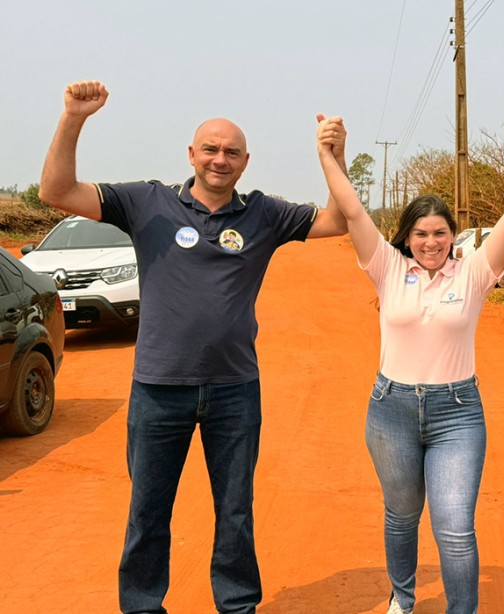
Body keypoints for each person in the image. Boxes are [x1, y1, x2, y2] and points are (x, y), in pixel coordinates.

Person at [38, 81, 349, 614]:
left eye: (231, 152)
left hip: (234, 389)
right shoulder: (146, 202)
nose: (220, 159)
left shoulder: (264, 215)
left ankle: (237, 605)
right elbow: (57, 192)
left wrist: (332, 157)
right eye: (210, 148)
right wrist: (73, 118)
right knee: (148, 511)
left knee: (234, 511)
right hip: (158, 389)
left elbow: (338, 221)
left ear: (245, 161)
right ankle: (142, 606)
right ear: (191, 154)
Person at [316, 115, 504, 614]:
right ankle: (403, 600)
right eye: (421, 233)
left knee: (454, 526)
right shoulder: (387, 269)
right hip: (392, 410)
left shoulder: (474, 273)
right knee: (401, 516)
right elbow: (353, 211)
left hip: (457, 414)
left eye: (440, 233)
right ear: (406, 237)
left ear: (454, 235)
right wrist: (328, 156)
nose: (431, 242)